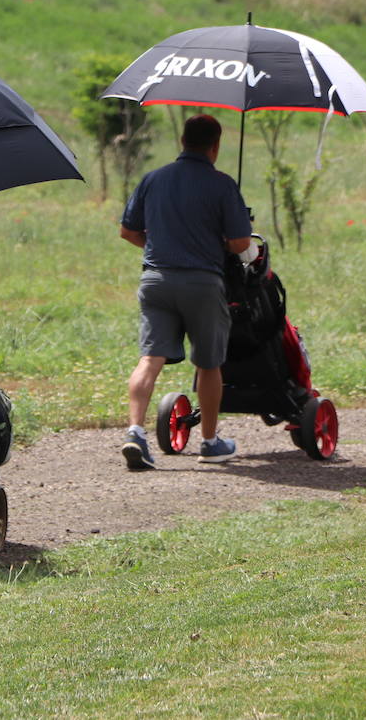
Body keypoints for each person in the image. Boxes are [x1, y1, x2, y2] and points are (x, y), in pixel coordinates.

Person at [118, 113, 252, 470]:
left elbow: (128, 232)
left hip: (156, 279)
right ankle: (209, 442)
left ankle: (135, 432)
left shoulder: (153, 179)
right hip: (202, 283)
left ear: (182, 141)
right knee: (209, 363)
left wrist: (161, 246)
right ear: (216, 146)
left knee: (150, 358)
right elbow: (241, 242)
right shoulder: (222, 184)